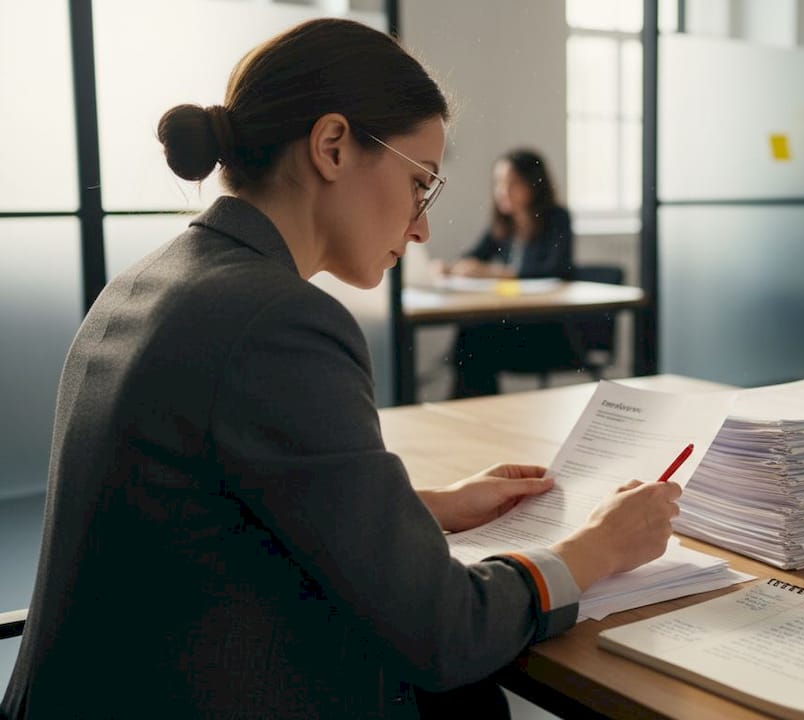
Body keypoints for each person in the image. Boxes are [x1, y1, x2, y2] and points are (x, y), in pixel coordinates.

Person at [1, 19, 681, 719]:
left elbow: (212, 509)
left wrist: (426, 507)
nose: (421, 226)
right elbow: (446, 632)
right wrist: (594, 550)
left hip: (88, 695)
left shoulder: (156, 278)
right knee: (466, 699)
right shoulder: (277, 322)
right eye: (420, 183)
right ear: (332, 147)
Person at [445, 150, 578, 398]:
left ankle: (470, 413)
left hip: (546, 333)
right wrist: (452, 267)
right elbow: (474, 256)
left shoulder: (557, 219)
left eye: (512, 183)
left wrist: (496, 273)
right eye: (498, 183)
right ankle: (471, 412)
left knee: (476, 338)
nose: (502, 191)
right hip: (512, 325)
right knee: (472, 332)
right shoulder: (503, 224)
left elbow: (555, 271)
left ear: (534, 184)